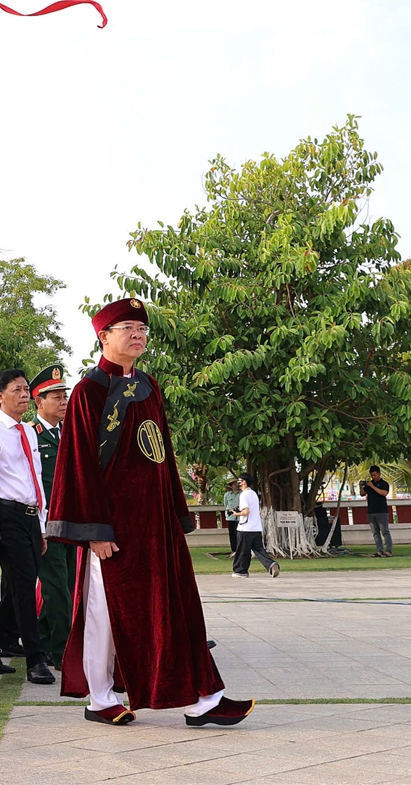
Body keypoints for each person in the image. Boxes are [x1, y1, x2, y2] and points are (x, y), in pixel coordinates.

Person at [48, 297, 251, 727]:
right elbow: (79, 463)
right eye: (127, 328)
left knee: (176, 607)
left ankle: (205, 698)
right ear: (103, 337)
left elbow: (164, 457)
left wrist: (175, 512)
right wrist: (94, 530)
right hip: (114, 526)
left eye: (141, 329)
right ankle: (99, 698)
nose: (138, 334)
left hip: (155, 523)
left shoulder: (149, 386)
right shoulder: (89, 391)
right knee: (106, 613)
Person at [0, 369, 55, 685]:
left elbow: (34, 477)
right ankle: (35, 659)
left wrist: (42, 523)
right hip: (3, 514)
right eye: (17, 389)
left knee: (23, 584)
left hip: (30, 516)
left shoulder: (29, 431)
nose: (25, 394)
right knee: (22, 586)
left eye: (26, 389)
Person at [31, 365, 74, 669]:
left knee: (67, 585)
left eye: (64, 397)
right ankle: (62, 651)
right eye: (56, 397)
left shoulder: (69, 433)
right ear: (39, 402)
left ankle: (44, 639)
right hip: (45, 524)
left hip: (70, 522)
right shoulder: (29, 435)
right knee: (57, 586)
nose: (63, 402)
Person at [232, 475, 280, 578]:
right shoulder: (253, 494)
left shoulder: (243, 495)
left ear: (244, 482)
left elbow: (246, 511)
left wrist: (237, 514)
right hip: (256, 528)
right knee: (259, 550)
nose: (238, 483)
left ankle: (240, 571)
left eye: (239, 481)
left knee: (242, 551)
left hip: (245, 528)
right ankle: (271, 564)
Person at [361, 467, 393, 557]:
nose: (373, 477)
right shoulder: (369, 485)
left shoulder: (384, 484)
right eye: (372, 475)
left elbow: (384, 493)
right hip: (371, 511)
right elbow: (362, 494)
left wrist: (373, 487)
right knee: (375, 533)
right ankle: (379, 550)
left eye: (375, 475)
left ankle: (389, 551)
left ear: (379, 474)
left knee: (385, 531)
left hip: (381, 511)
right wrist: (362, 486)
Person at [222, 480, 241, 557]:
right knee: (232, 534)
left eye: (237, 483)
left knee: (239, 534)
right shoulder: (227, 495)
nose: (235, 485)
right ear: (231, 485)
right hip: (230, 517)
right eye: (234, 484)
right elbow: (225, 505)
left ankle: (240, 550)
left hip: (240, 516)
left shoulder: (242, 494)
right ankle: (234, 550)